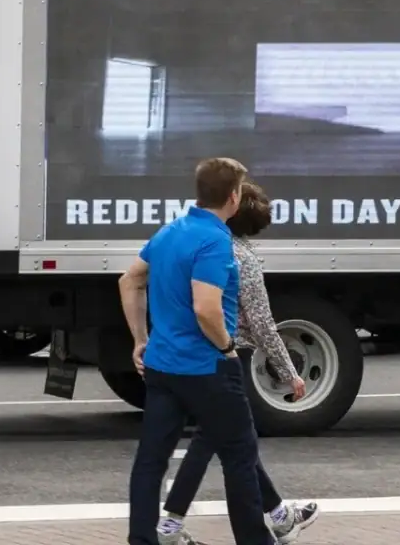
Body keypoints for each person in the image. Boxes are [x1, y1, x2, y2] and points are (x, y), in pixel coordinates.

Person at [121, 157, 276, 545]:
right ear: (233, 196)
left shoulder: (171, 231)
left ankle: (142, 539)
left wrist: (141, 338)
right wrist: (226, 346)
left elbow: (129, 279)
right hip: (206, 369)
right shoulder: (215, 240)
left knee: (151, 461)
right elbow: (206, 308)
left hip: (161, 367)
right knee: (239, 455)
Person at [157, 181, 319, 545]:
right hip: (229, 356)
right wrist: (289, 372)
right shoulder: (242, 258)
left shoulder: (195, 244)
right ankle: (170, 527)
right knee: (223, 444)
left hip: (189, 354)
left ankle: (280, 516)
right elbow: (262, 324)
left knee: (232, 441)